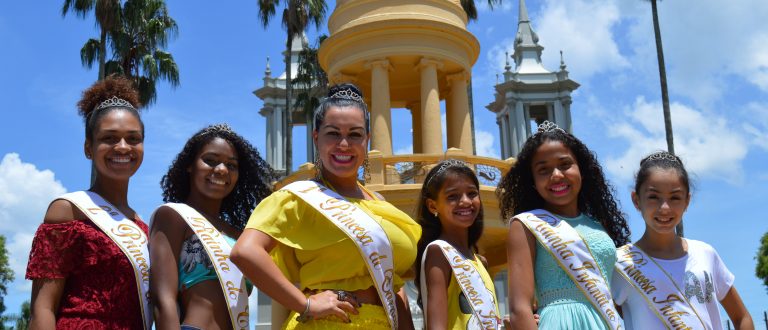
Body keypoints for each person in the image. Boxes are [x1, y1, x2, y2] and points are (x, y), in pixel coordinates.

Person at [231, 83, 421, 329]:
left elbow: (393, 286)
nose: (344, 144)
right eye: (333, 133)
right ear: (316, 137)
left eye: (355, 134)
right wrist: (306, 305)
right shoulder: (298, 198)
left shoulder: (380, 204)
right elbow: (245, 252)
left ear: (367, 140)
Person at [26, 76, 151, 329]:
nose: (123, 147)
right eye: (109, 138)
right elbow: (42, 309)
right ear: (88, 148)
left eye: (133, 139)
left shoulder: (143, 228)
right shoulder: (67, 211)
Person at [498, 121, 630, 330]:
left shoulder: (599, 226)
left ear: (582, 170)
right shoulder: (526, 225)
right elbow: (519, 308)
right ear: (532, 180)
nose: (557, 175)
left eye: (565, 164)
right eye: (544, 170)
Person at [150, 124, 274, 330]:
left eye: (231, 165)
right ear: (190, 165)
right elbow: (163, 299)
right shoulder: (174, 216)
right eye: (211, 161)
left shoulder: (240, 235)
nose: (222, 170)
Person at [612, 151, 753, 330]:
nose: (665, 208)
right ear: (636, 200)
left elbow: (741, 317)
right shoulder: (619, 263)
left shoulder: (705, 254)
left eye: (675, 197)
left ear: (687, 201)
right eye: (654, 197)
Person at [415, 159, 500, 329]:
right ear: (432, 206)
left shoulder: (481, 261)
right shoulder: (438, 252)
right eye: (452, 196)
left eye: (472, 193)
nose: (466, 201)